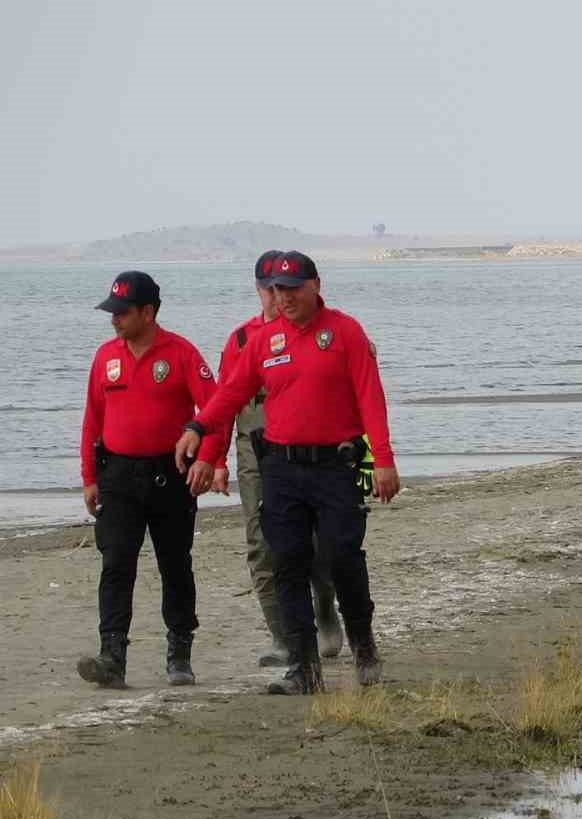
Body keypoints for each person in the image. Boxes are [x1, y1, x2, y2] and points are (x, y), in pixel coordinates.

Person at [177, 251, 399, 695]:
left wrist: (384, 460)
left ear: (315, 284)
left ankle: (363, 643)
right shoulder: (263, 341)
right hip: (280, 468)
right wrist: (198, 428)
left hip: (336, 467)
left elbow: (370, 397)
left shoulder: (345, 332)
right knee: (287, 564)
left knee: (341, 557)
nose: (284, 298)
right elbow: (231, 393)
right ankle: (303, 668)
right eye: (277, 290)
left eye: (293, 288)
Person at [77, 271, 223, 689]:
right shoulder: (105, 356)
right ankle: (112, 656)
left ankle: (180, 652)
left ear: (148, 312)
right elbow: (92, 420)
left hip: (170, 476)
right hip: (117, 477)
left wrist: (210, 460)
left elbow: (215, 410)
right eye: (112, 312)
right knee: (116, 564)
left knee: (174, 564)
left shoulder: (181, 353)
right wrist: (89, 477)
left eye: (122, 312)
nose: (114, 319)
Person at [214, 251, 342, 666]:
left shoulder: (318, 332)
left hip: (307, 448)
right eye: (269, 289)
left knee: (317, 543)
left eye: (283, 288)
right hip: (254, 449)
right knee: (261, 543)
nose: (277, 296)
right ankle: (283, 636)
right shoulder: (240, 341)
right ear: (258, 290)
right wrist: (216, 459)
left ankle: (325, 607)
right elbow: (223, 403)